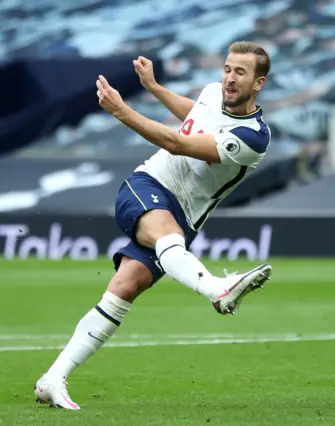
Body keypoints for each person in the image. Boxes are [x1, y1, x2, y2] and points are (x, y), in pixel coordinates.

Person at [34, 41, 274, 410]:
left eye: (239, 72)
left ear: (258, 83)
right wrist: (155, 88)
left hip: (183, 219)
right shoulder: (212, 92)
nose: (228, 78)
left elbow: (179, 142)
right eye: (227, 68)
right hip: (148, 185)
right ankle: (216, 289)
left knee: (123, 289)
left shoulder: (252, 138)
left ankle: (53, 378)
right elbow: (195, 114)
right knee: (168, 237)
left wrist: (121, 111)